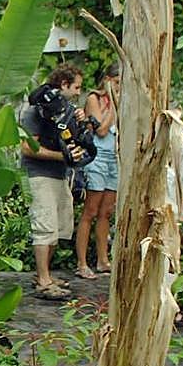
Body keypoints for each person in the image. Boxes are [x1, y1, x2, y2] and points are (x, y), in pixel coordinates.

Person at [20, 64, 86, 300]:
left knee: (59, 228)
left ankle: (44, 275)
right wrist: (62, 156)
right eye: (76, 87)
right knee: (44, 227)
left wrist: (79, 121)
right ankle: (44, 280)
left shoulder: (64, 112)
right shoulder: (35, 113)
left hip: (60, 175)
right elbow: (27, 147)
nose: (79, 92)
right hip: (39, 175)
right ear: (64, 85)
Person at [75, 62, 121, 279]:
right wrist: (114, 105)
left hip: (115, 158)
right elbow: (101, 130)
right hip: (98, 157)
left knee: (106, 212)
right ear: (108, 80)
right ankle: (82, 262)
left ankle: (103, 260)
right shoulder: (95, 99)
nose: (121, 87)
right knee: (91, 211)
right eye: (117, 83)